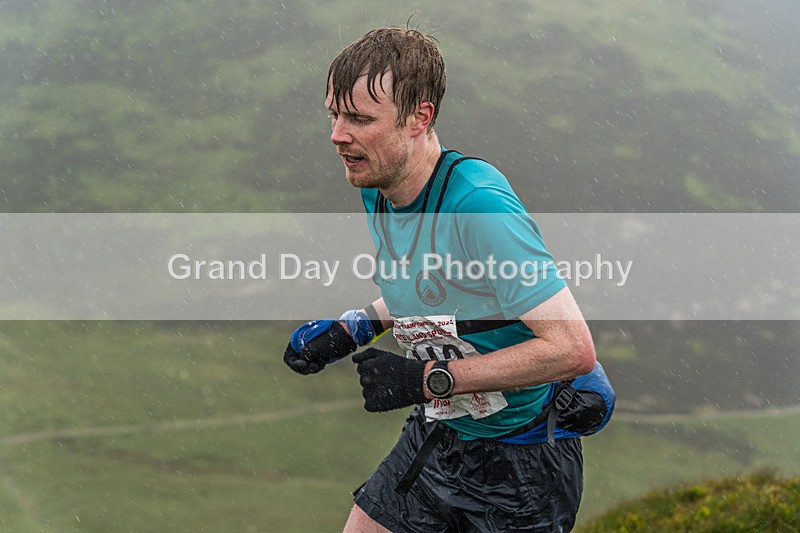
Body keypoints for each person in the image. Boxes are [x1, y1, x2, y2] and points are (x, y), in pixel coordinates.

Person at [283, 26, 596, 532]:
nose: (338, 135)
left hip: (522, 463)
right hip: (441, 431)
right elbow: (438, 285)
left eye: (360, 119)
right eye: (334, 114)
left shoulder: (479, 206)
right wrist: (356, 327)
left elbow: (571, 349)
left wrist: (428, 379)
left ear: (419, 118)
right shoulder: (379, 183)